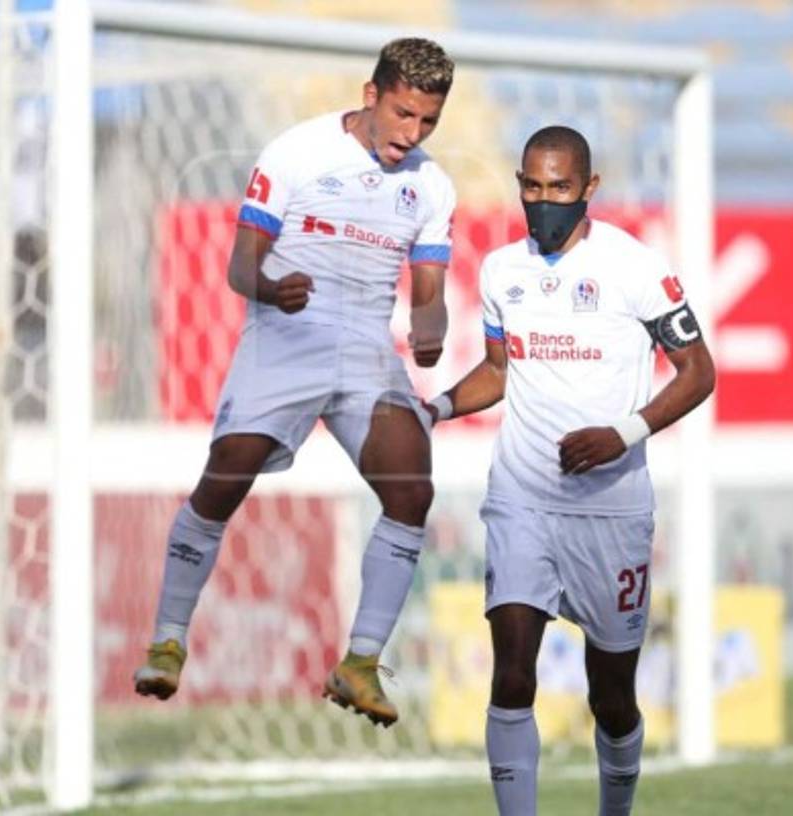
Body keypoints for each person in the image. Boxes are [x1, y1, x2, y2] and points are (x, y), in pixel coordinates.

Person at [133, 38, 457, 727]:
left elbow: (429, 290)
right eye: (403, 114)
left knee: (411, 487)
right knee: (230, 472)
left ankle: (361, 663)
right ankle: (167, 638)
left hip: (367, 348)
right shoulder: (295, 154)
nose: (412, 134)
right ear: (372, 96)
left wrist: (431, 327)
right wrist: (273, 290)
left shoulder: (432, 186)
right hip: (289, 334)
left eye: (427, 122)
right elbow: (239, 267)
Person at [424, 125, 716, 814]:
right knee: (513, 671)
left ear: (589, 189)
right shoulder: (502, 272)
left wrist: (626, 432)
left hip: (612, 510)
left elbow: (698, 371)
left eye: (559, 187)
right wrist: (434, 407)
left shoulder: (636, 267)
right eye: (531, 186)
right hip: (522, 499)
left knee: (610, 696)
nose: (543, 200)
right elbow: (498, 372)